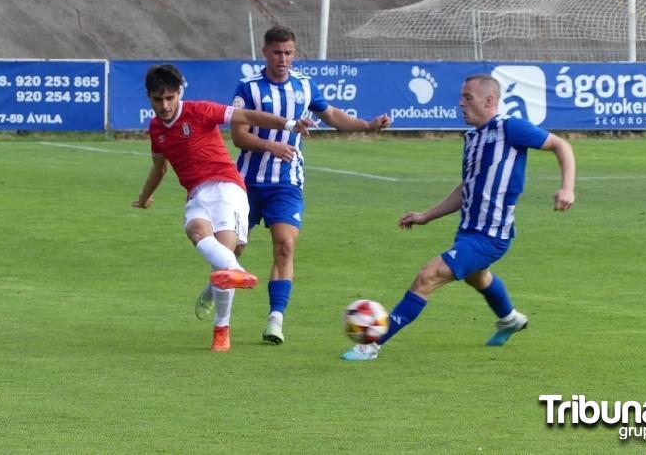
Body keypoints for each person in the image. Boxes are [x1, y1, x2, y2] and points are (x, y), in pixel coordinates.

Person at [341, 74, 576, 361]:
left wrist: (567, 187)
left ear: (489, 101)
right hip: (468, 231)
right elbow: (467, 188)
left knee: (427, 277)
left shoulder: (510, 128)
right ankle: (510, 318)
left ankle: (372, 344)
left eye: (468, 98)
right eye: (461, 97)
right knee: (479, 277)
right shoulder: (473, 138)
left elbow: (561, 145)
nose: (460, 103)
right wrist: (427, 216)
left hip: (491, 236)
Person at [226, 25, 392, 345]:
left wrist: (367, 125)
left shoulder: (304, 86)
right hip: (246, 181)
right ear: (265, 53)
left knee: (285, 245)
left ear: (295, 52)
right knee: (234, 250)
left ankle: (276, 318)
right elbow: (237, 135)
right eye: (277, 52)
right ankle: (218, 290)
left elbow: (332, 115)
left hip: (286, 182)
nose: (283, 58)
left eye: (288, 52)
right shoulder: (248, 88)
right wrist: (273, 146)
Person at [132, 63, 313, 353]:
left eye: (169, 98)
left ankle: (221, 330)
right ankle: (235, 271)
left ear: (179, 93)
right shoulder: (156, 129)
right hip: (196, 195)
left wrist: (289, 124)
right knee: (197, 233)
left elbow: (245, 116)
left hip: (228, 188)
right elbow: (159, 169)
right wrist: (143, 198)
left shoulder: (200, 110)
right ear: (149, 97)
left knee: (223, 261)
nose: (164, 106)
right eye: (157, 99)